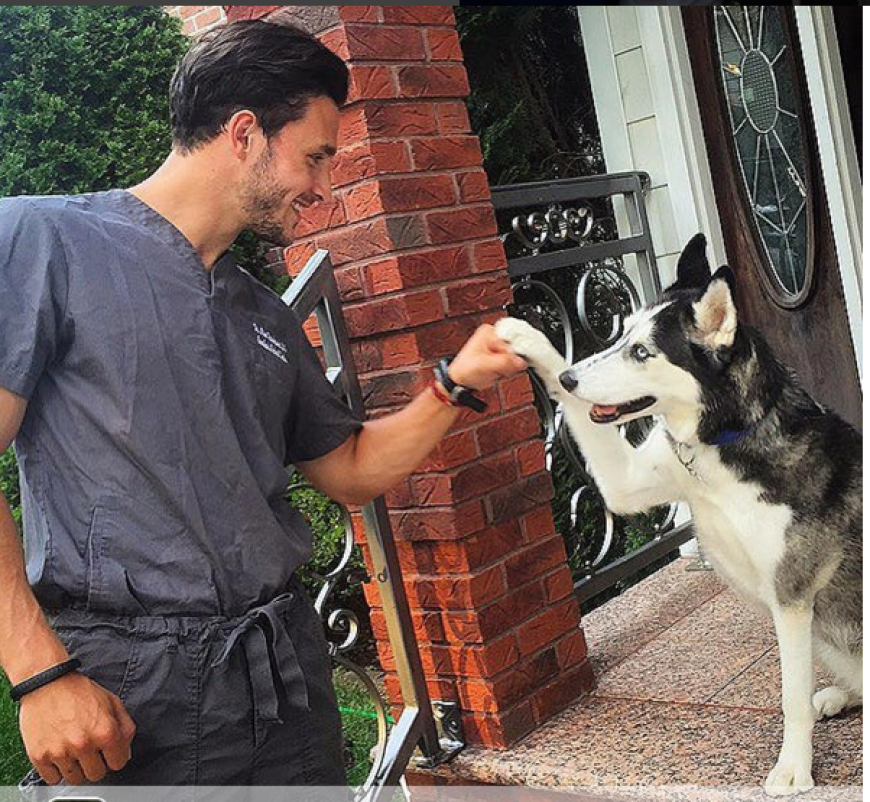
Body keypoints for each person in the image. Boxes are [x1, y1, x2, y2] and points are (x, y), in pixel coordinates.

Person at [0, 19, 526, 790]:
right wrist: (39, 673)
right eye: (314, 157)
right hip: (131, 692)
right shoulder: (41, 240)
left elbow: (347, 471)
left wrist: (455, 384)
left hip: (285, 678)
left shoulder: (262, 313)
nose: (322, 188)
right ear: (245, 132)